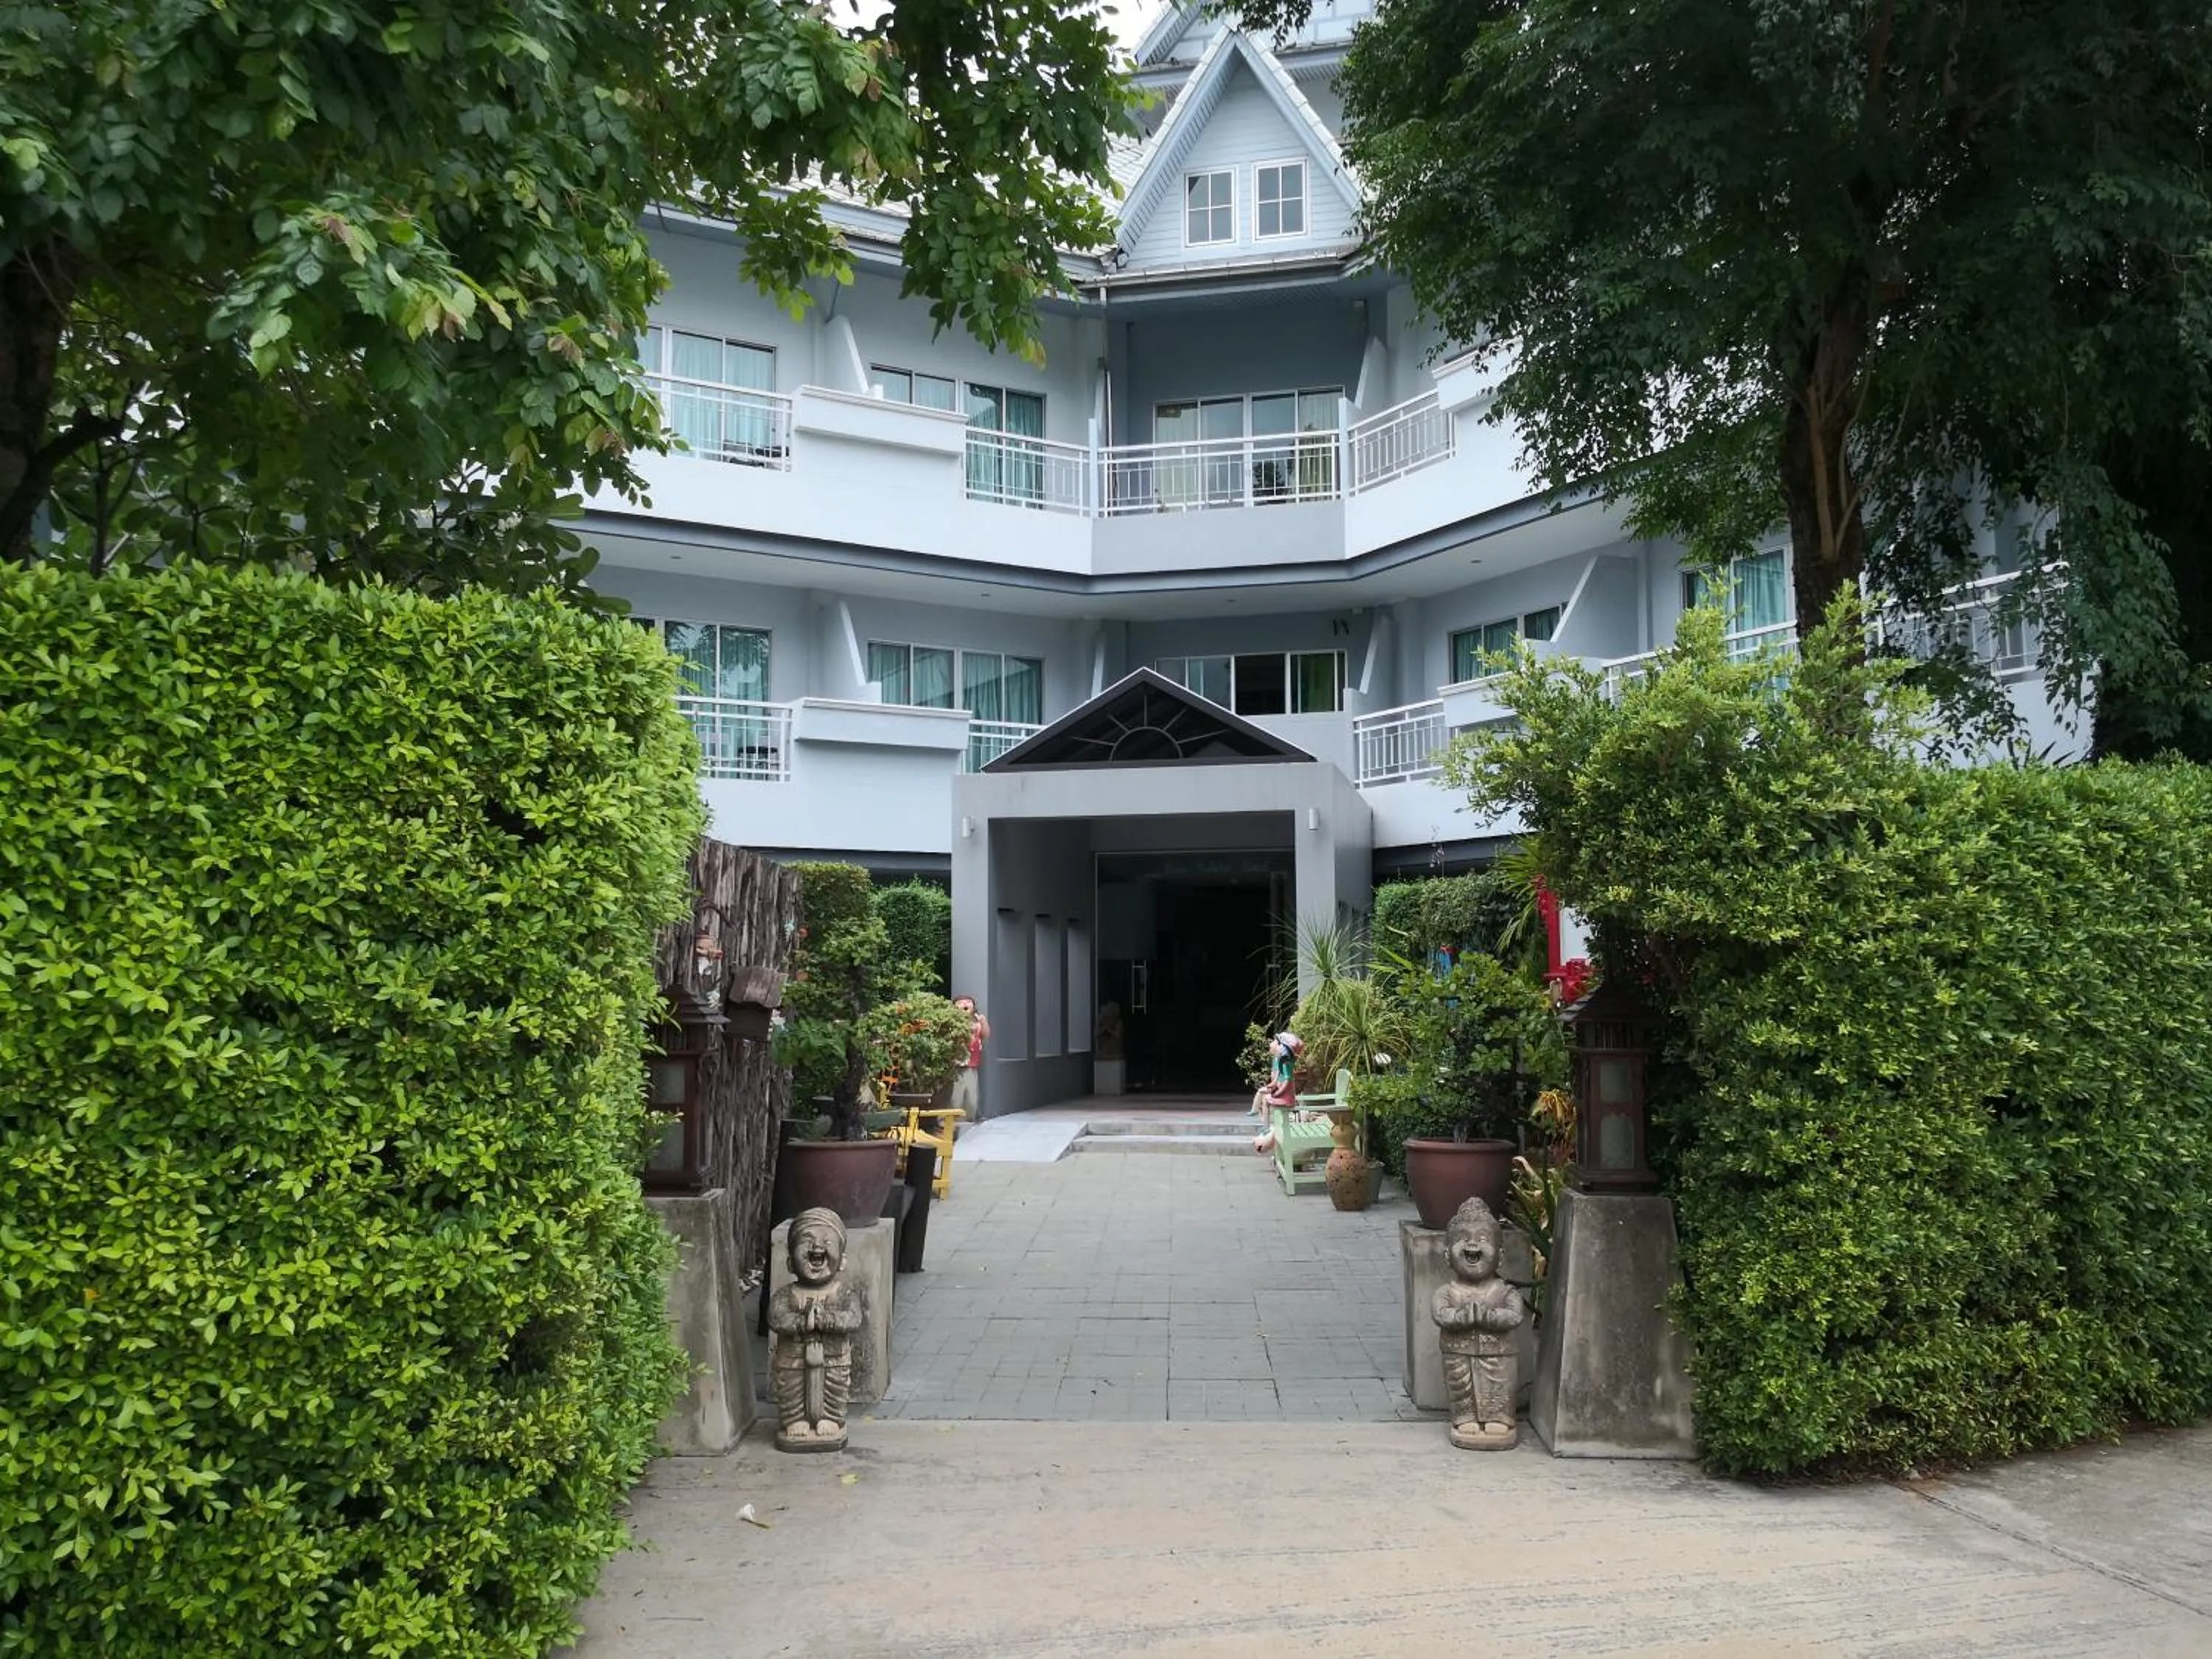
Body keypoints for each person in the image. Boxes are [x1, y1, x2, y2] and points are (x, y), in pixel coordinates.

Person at [1251, 1029, 1301, 1153]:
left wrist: (1278, 1093)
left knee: (1267, 1100)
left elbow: (1286, 1082)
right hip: (1280, 1091)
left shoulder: (1286, 1064)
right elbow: (1277, 1079)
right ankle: (1265, 1125)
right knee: (1265, 1098)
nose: (1272, 1043)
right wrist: (1272, 1086)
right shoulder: (1280, 1062)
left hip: (1286, 1097)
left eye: (1275, 1042)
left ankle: (1266, 1127)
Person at [950, 994, 989, 1119]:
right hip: (957, 1063)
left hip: (972, 1063)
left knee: (972, 1095)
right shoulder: (952, 1021)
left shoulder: (977, 1021)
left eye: (968, 1002)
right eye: (960, 1003)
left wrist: (983, 1023)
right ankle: (952, 1119)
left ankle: (970, 1117)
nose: (965, 1004)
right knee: (957, 1094)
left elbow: (986, 1035)